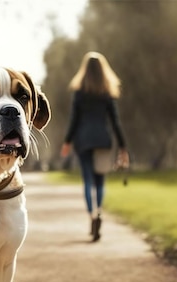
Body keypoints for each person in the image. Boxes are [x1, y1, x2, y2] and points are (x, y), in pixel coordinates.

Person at [60, 51, 129, 242]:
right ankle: (99, 211)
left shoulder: (80, 92)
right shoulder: (107, 92)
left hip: (83, 141)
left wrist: (67, 142)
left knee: (88, 181)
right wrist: (123, 146)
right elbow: (115, 121)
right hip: (102, 141)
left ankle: (92, 215)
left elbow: (73, 120)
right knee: (100, 181)